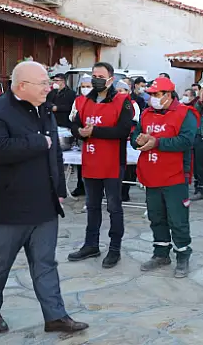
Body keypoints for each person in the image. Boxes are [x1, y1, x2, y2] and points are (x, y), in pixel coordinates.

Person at [0, 61, 88, 334]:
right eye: (43, 83)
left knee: (46, 263)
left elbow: (55, 155)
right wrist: (38, 142)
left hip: (44, 204)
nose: (49, 87)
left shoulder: (44, 110)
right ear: (22, 85)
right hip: (7, 206)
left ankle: (55, 316)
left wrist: (59, 189)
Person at [68, 62, 133, 269]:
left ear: (110, 79)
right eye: (93, 75)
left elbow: (123, 131)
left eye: (100, 75)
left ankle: (114, 248)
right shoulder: (84, 102)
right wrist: (80, 133)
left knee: (114, 207)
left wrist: (94, 131)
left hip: (113, 163)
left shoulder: (123, 101)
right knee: (92, 206)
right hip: (91, 161)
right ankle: (91, 244)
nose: (95, 79)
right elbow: (75, 125)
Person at [133, 77, 197, 277]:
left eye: (156, 94)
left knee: (178, 219)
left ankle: (183, 255)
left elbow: (186, 141)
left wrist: (157, 143)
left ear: (169, 95)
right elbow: (135, 137)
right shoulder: (146, 114)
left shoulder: (185, 113)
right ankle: (161, 253)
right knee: (156, 217)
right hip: (151, 175)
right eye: (151, 94)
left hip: (174, 177)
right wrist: (139, 140)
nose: (152, 98)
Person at [68, 76, 93, 198]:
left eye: (88, 86)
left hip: (95, 135)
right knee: (81, 161)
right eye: (83, 87)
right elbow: (71, 115)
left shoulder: (97, 100)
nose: (85, 89)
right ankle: (80, 186)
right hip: (81, 134)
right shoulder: (78, 100)